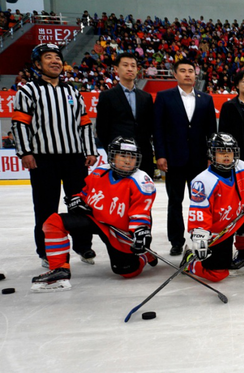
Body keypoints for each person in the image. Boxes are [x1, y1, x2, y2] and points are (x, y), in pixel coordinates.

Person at [31, 137, 156, 292]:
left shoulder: (142, 181)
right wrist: (76, 200)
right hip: (94, 218)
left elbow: (141, 212)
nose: (127, 161)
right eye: (123, 156)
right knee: (53, 222)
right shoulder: (99, 172)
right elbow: (85, 193)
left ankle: (144, 256)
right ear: (112, 157)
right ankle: (59, 271)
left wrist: (140, 232)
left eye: (132, 157)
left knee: (126, 271)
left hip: (117, 229)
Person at [12, 43, 99, 266]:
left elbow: (84, 124)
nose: (55, 61)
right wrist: (25, 152)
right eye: (48, 57)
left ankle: (83, 246)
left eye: (57, 57)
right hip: (43, 159)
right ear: (37, 64)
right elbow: (20, 124)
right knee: (45, 207)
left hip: (74, 158)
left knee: (79, 205)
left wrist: (89, 150)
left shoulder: (72, 91)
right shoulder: (28, 90)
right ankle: (46, 251)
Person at [184, 133, 244, 282]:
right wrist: (200, 234)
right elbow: (199, 212)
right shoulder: (202, 181)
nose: (226, 156)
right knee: (218, 274)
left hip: (240, 217)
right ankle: (190, 262)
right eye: (221, 152)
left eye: (230, 151)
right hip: (220, 230)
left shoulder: (242, 167)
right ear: (212, 154)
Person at [153, 59, 217, 256]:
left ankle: (202, 235)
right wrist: (161, 155)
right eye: (183, 71)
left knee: (201, 201)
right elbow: (158, 129)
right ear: (175, 74)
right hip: (174, 159)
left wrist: (210, 156)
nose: (188, 74)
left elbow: (211, 131)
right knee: (175, 201)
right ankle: (176, 241)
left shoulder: (205, 98)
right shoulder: (164, 97)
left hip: (199, 160)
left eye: (191, 70)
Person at [96, 53, 155, 177]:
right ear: (116, 69)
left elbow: (150, 126)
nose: (130, 68)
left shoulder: (146, 97)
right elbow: (102, 128)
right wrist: (112, 152)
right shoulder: (107, 96)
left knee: (144, 193)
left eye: (133, 66)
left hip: (143, 154)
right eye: (125, 65)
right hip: (119, 155)